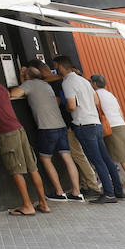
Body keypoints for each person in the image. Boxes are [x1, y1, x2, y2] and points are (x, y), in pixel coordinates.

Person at [0, 68, 50, 216]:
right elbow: (8, 95)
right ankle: (44, 204)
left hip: (7, 133)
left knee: (16, 169)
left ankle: (27, 205)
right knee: (32, 168)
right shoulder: (0, 86)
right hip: (19, 129)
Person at [55, 56, 125, 203]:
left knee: (97, 161)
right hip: (96, 123)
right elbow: (96, 100)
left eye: (56, 66)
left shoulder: (68, 82)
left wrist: (68, 108)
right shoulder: (84, 80)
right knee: (106, 158)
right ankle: (118, 190)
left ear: (61, 67)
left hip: (83, 125)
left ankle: (109, 194)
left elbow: (72, 105)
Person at [15, 64, 83, 202]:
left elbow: (15, 93)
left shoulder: (30, 84)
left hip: (47, 128)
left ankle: (59, 192)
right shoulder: (46, 85)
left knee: (46, 159)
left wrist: (21, 77)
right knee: (67, 158)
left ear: (28, 77)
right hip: (61, 126)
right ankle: (77, 193)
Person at [90, 74, 125, 189]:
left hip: (110, 126)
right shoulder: (110, 94)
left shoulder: (96, 95)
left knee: (116, 155)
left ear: (95, 84)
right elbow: (120, 111)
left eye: (91, 82)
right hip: (119, 124)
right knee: (119, 154)